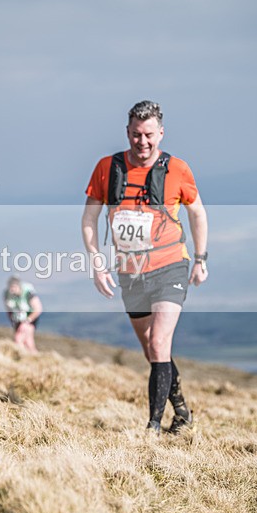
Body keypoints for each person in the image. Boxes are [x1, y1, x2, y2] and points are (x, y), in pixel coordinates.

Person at [81, 100, 208, 435]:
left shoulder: (178, 169)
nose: (143, 142)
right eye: (137, 134)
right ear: (127, 132)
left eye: (149, 135)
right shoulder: (107, 168)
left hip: (170, 265)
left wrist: (200, 259)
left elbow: (197, 213)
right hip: (130, 271)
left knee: (159, 343)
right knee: (151, 347)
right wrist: (96, 261)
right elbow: (89, 218)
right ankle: (182, 411)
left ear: (161, 133)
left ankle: (153, 428)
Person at [3, 276, 42, 354]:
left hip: (30, 318)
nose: (12, 290)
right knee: (28, 342)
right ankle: (35, 357)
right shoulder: (7, 294)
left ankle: (22, 356)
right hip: (17, 319)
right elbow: (8, 310)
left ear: (19, 286)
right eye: (10, 287)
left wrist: (27, 321)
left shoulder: (28, 293)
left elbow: (38, 309)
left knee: (18, 339)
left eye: (14, 287)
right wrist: (12, 320)